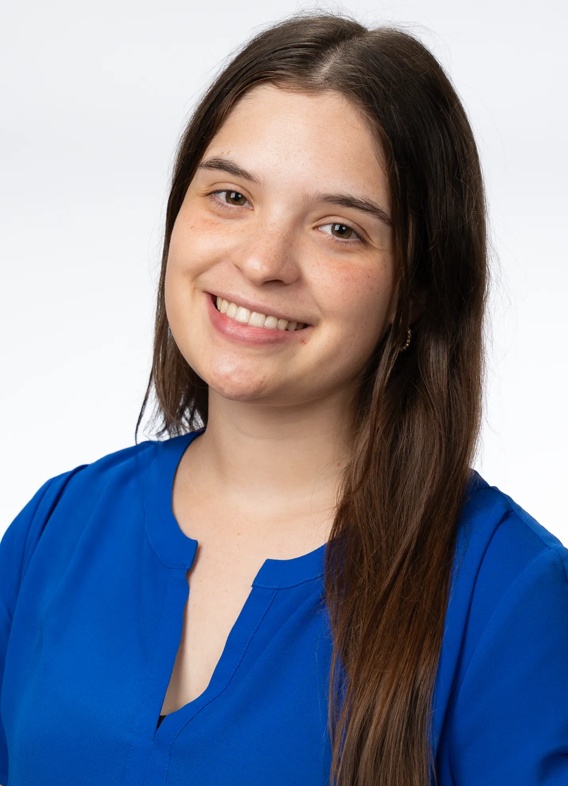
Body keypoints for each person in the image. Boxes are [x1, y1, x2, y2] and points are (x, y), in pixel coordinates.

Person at [1, 12, 567, 786]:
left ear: (418, 288)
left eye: (339, 228)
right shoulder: (56, 529)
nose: (264, 261)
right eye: (231, 196)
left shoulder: (509, 598)